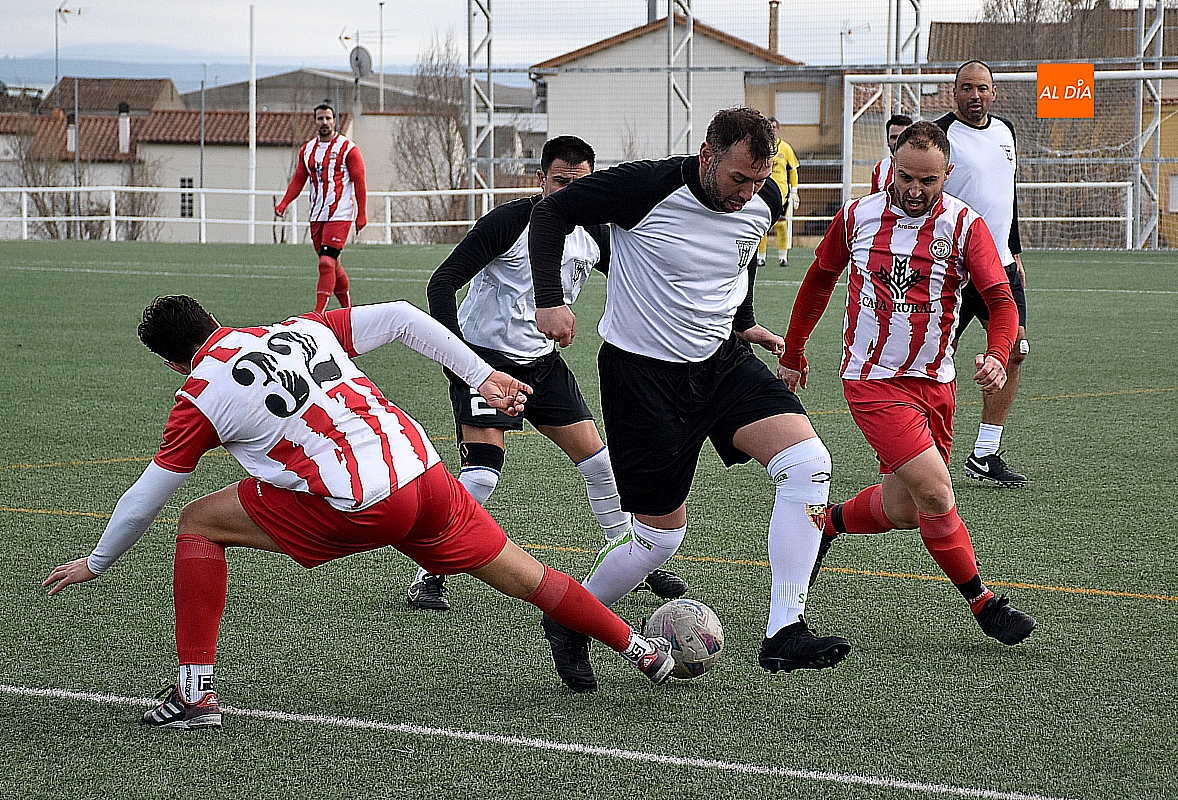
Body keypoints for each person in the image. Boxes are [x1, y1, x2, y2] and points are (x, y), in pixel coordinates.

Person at [42, 295, 674, 728]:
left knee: (195, 523)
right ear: (217, 320)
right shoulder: (300, 328)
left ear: (174, 362)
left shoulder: (197, 393)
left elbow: (146, 498)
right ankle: (644, 649)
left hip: (362, 505)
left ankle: (194, 693)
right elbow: (402, 316)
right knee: (530, 577)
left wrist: (96, 563)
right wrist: (481, 376)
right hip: (426, 476)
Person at [529, 107, 852, 692]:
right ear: (707, 156)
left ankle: (785, 628)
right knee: (659, 538)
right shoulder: (644, 186)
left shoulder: (765, 198)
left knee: (808, 463)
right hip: (642, 378)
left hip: (721, 363)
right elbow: (551, 211)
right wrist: (549, 298)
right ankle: (570, 618)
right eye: (737, 179)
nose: (748, 192)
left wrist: (746, 320)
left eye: (758, 180)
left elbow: (743, 256)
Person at [780, 121, 1037, 646]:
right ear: (891, 167)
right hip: (872, 381)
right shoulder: (857, 215)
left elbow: (1001, 300)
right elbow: (819, 281)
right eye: (905, 178)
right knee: (939, 495)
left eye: (928, 181)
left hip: (936, 385)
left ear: (948, 174)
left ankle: (827, 525)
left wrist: (996, 351)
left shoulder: (966, 225)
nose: (915, 191)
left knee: (902, 510)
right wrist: (794, 348)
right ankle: (985, 603)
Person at [407, 135, 687, 611]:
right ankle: (428, 572)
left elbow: (636, 280)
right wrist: (462, 362)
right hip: (487, 364)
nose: (567, 193)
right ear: (541, 179)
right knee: (482, 477)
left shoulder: (596, 232)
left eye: (579, 183)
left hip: (544, 366)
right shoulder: (510, 222)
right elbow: (443, 282)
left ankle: (632, 562)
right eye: (559, 181)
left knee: (601, 466)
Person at [936, 61, 1029, 488]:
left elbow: (1005, 195)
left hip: (1001, 268)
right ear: (953, 93)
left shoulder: (1006, 131)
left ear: (994, 93)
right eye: (966, 88)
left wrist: (1015, 248)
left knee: (1015, 351)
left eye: (983, 89)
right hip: (949, 271)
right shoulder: (938, 136)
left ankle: (985, 452)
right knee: (929, 359)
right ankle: (921, 447)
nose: (975, 96)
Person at [274, 103, 368, 314]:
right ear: (315, 121)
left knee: (326, 263)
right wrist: (284, 203)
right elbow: (298, 179)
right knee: (332, 265)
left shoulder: (347, 149)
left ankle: (318, 314)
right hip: (317, 215)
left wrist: (361, 214)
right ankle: (348, 311)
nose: (324, 122)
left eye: (328, 118)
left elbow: (360, 181)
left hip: (340, 215)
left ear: (335, 121)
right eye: (320, 119)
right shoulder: (308, 150)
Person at [755, 117, 800, 267]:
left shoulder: (785, 148)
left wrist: (794, 191)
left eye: (774, 127)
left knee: (781, 224)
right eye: (770, 127)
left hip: (782, 194)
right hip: (763, 193)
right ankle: (761, 257)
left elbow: (793, 170)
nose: (772, 130)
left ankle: (783, 256)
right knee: (763, 225)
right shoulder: (760, 148)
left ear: (778, 130)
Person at [869, 113, 913, 194]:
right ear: (887, 141)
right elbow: (874, 200)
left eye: (902, 137)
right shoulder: (879, 168)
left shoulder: (923, 165)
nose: (897, 141)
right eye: (893, 137)